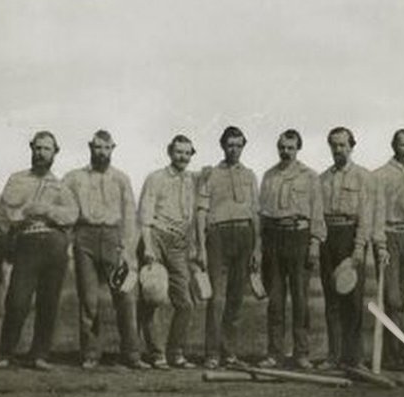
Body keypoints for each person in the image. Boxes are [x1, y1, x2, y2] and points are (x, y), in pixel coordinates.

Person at [0, 131, 79, 370]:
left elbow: (72, 215)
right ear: (31, 149)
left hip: (54, 244)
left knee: (48, 301)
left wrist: (48, 211)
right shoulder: (17, 179)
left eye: (47, 149)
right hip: (26, 242)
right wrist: (26, 211)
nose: (41, 153)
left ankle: (39, 354)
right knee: (17, 300)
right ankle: (6, 352)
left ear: (55, 153)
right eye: (38, 148)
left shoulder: (60, 186)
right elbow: (6, 212)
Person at [62, 130, 145, 370]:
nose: (102, 152)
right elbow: (64, 208)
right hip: (84, 237)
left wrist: (128, 248)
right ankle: (90, 353)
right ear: (90, 147)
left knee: (125, 296)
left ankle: (131, 353)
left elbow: (131, 215)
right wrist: (70, 241)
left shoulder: (121, 179)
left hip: (113, 237)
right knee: (89, 300)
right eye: (97, 147)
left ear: (113, 149)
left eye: (106, 148)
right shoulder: (73, 178)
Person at [258, 129, 325, 370]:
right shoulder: (269, 176)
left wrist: (315, 243)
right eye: (282, 148)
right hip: (273, 238)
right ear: (278, 148)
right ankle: (274, 354)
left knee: (300, 300)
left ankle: (301, 353)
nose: (286, 152)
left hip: (299, 237)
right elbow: (262, 215)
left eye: (290, 148)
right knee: (275, 300)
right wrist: (260, 247)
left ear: (298, 149)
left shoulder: (310, 177)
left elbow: (317, 212)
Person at [196, 126, 262, 370]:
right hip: (218, 235)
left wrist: (257, 249)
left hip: (244, 235)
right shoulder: (211, 174)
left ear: (243, 146)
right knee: (217, 298)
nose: (234, 149)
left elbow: (255, 214)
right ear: (222, 146)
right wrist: (201, 247)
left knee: (235, 299)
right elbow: (202, 211)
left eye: (238, 145)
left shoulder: (250, 175)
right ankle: (212, 353)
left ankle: (229, 352)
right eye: (230, 145)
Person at [138, 134, 200, 370]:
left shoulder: (191, 180)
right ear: (169, 152)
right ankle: (156, 353)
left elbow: (192, 216)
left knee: (185, 302)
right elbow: (145, 214)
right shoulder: (155, 178)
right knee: (153, 298)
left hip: (179, 242)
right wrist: (148, 247)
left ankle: (176, 353)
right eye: (178, 152)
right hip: (156, 235)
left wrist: (192, 245)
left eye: (187, 153)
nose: (182, 157)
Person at [317, 127, 375, 373]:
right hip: (328, 238)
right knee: (331, 300)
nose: (338, 150)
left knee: (352, 301)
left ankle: (355, 358)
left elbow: (366, 216)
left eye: (342, 145)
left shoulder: (363, 177)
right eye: (334, 145)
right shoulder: (322, 179)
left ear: (352, 146)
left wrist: (359, 248)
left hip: (351, 238)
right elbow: (318, 216)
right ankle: (334, 355)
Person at [371, 129, 404, 371]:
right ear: (394, 145)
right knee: (391, 299)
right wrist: (381, 245)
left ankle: (393, 355)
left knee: (401, 300)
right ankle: (398, 356)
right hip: (389, 235)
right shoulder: (381, 175)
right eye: (403, 145)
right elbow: (378, 213)